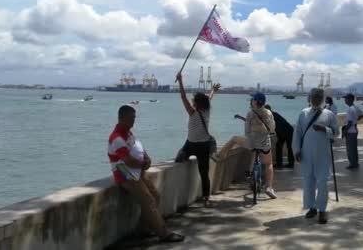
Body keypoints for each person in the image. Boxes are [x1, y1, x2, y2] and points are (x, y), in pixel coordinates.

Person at [107, 105, 184, 243]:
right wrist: (144, 164)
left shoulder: (129, 134)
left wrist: (147, 158)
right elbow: (128, 161)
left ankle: (143, 229)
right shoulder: (116, 138)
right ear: (122, 118)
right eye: (131, 118)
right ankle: (164, 233)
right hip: (124, 172)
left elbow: (139, 148)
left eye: (134, 118)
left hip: (137, 171)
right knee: (148, 200)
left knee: (155, 196)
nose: (133, 121)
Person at [293, 88, 339, 224]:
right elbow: (298, 133)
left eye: (319, 97)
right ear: (310, 98)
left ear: (323, 99)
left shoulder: (329, 115)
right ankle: (311, 207)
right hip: (307, 154)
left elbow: (336, 132)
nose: (316, 99)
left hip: (323, 155)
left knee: (323, 182)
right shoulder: (303, 113)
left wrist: (325, 129)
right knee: (308, 182)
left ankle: (322, 210)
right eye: (314, 97)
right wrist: (296, 150)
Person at [219, 92, 278, 199]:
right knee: (269, 164)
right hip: (264, 143)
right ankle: (269, 187)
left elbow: (246, 131)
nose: (251, 102)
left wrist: (251, 136)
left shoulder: (250, 113)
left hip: (251, 143)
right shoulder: (269, 113)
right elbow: (272, 128)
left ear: (255, 102)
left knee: (234, 139)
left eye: (252, 100)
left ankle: (220, 155)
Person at [175, 73, 220, 206]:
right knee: (204, 172)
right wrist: (213, 90)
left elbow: (183, 96)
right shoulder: (206, 111)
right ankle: (206, 197)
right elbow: (209, 97)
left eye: (194, 101)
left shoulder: (192, 112)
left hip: (191, 144)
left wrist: (180, 81)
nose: (192, 102)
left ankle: (206, 196)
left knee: (179, 159)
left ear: (197, 104)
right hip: (203, 145)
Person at [265, 104, 295, 168]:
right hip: (282, 133)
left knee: (289, 147)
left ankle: (290, 164)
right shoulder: (272, 115)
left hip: (288, 131)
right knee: (279, 146)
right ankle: (279, 164)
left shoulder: (271, 115)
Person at [343, 93, 363, 169]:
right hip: (354, 130)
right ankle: (355, 163)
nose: (344, 100)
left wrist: (345, 131)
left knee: (350, 149)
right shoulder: (355, 107)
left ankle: (352, 164)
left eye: (346, 98)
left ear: (350, 99)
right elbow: (362, 115)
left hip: (351, 131)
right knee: (354, 148)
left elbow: (349, 123)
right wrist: (356, 120)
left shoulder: (350, 109)